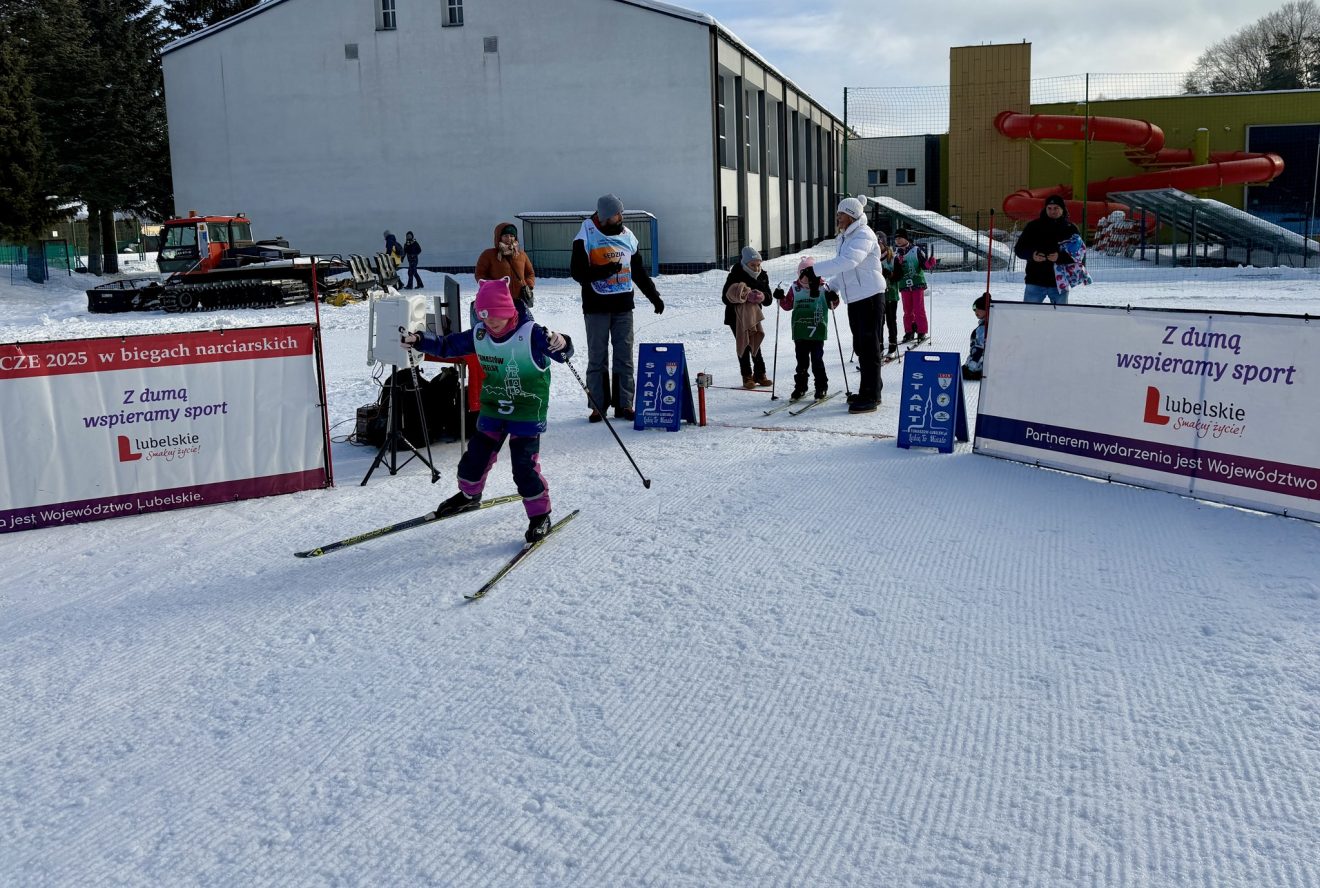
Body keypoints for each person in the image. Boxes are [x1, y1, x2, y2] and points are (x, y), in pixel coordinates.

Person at [401, 278, 574, 543]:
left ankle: (540, 516)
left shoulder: (532, 333)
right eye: (484, 318)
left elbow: (562, 353)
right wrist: (419, 340)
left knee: (523, 468)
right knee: (474, 460)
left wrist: (563, 342)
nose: (490, 324)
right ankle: (470, 496)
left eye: (496, 317)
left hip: (526, 411)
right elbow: (447, 346)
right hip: (494, 408)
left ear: (508, 311)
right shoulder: (480, 333)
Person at [570, 193, 664, 423]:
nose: (620, 216)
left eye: (621, 212)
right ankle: (597, 406)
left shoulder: (628, 236)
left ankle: (625, 404)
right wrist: (604, 271)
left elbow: (639, 271)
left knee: (624, 357)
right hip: (596, 307)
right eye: (615, 214)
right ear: (603, 217)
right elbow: (578, 273)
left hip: (623, 306)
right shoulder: (586, 235)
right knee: (597, 357)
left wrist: (654, 296)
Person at [808, 194, 886, 414]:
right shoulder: (845, 237)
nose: (838, 218)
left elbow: (849, 261)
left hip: (870, 296)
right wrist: (832, 287)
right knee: (861, 346)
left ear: (851, 215)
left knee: (870, 347)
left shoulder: (863, 234)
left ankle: (871, 395)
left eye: (841, 214)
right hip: (856, 298)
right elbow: (846, 269)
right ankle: (869, 388)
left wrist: (813, 270)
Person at [775, 256, 839, 400]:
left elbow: (832, 305)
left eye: (810, 274)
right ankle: (801, 387)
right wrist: (780, 298)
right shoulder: (795, 288)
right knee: (802, 361)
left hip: (817, 330)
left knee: (817, 360)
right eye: (803, 275)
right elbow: (787, 305)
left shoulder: (823, 287)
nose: (807, 279)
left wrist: (833, 298)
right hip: (800, 331)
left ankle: (821, 386)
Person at [1014, 194, 1082, 305]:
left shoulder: (1070, 229)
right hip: (1034, 281)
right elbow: (1019, 249)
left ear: (1062, 209)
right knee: (1029, 315)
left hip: (1059, 283)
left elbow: (1079, 254)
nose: (1052, 211)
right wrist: (1032, 255)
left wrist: (1060, 257)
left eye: (1056, 208)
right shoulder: (1033, 227)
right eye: (1049, 208)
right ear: (1045, 209)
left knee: (1059, 318)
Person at [721, 246, 773, 387]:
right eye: (753, 265)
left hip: (754, 316)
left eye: (758, 265)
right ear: (745, 264)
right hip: (736, 317)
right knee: (744, 345)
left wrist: (762, 296)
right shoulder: (735, 274)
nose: (756, 268)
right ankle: (747, 376)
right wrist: (743, 295)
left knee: (756, 343)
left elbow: (769, 299)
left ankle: (760, 374)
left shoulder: (762, 275)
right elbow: (725, 297)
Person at [476, 222, 537, 309]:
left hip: (519, 300)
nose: (509, 238)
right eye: (505, 236)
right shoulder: (488, 254)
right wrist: (493, 287)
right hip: (497, 300)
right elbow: (480, 275)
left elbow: (530, 273)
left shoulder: (522, 255)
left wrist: (528, 285)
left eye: (512, 236)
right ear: (499, 237)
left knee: (523, 322)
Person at [892, 229, 934, 343]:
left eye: (900, 238)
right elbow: (896, 273)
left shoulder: (916, 250)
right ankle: (909, 331)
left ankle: (921, 331)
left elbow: (923, 264)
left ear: (906, 238)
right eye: (896, 239)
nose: (898, 241)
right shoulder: (896, 254)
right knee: (907, 310)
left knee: (918, 309)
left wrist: (929, 263)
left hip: (917, 283)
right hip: (904, 285)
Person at [877, 231, 900, 359]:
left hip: (891, 295)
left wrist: (889, 274)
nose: (878, 247)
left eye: (880, 243)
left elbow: (899, 276)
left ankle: (892, 347)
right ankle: (879, 348)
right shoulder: (872, 258)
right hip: (877, 297)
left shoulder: (893, 257)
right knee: (879, 323)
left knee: (891, 322)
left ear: (884, 244)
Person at [962, 294, 988, 381]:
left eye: (979, 309)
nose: (976, 312)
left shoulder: (983, 328)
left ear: (987, 309)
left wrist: (971, 368)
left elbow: (980, 350)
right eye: (974, 310)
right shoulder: (988, 325)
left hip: (978, 369)